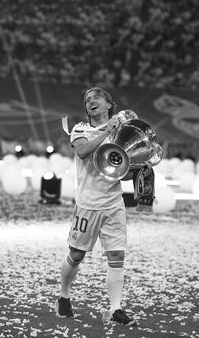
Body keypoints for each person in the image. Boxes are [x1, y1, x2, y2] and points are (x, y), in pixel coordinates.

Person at [56, 86, 137, 326]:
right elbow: (82, 152)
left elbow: (120, 172)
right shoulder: (80, 129)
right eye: (87, 99)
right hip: (88, 204)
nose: (91, 101)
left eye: (96, 97)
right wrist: (106, 132)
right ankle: (64, 294)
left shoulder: (122, 134)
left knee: (116, 255)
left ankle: (115, 309)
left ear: (109, 105)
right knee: (77, 254)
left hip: (113, 203)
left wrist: (140, 171)